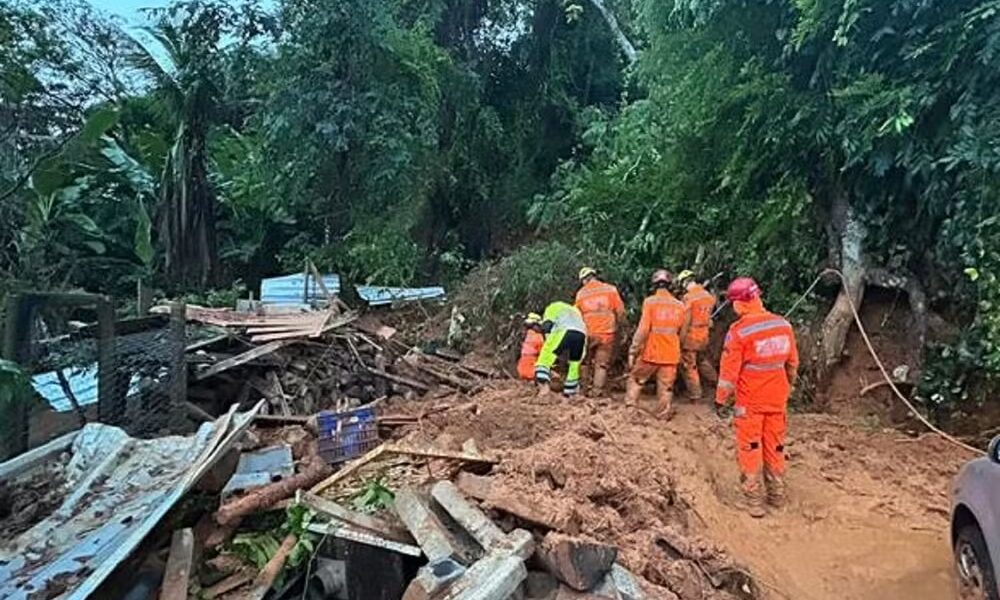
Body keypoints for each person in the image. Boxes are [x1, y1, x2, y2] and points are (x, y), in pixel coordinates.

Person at [715, 277, 799, 518]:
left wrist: (720, 399)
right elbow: (792, 364)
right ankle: (777, 496)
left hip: (750, 403)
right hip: (777, 400)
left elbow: (728, 373)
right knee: (775, 445)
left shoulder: (739, 332)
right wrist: (787, 387)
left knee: (750, 447)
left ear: (740, 303)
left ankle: (753, 501)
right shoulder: (784, 325)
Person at [625, 270, 690, 417]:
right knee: (666, 387)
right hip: (671, 354)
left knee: (636, 379)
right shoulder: (680, 306)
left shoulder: (650, 302)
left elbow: (643, 329)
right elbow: (683, 333)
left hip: (651, 352)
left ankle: (630, 409)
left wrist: (633, 349)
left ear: (654, 285)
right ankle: (662, 414)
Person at [575, 267, 626, 395]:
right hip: (607, 333)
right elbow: (620, 312)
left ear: (584, 280)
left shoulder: (581, 294)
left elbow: (576, 315)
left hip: (587, 334)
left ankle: (584, 390)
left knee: (584, 363)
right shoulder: (610, 289)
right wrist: (623, 328)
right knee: (601, 365)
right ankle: (597, 392)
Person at [676, 270, 718, 401]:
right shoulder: (708, 296)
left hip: (691, 336)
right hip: (704, 335)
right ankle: (717, 383)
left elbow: (686, 321)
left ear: (684, 282)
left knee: (689, 366)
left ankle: (696, 395)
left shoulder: (689, 298)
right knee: (703, 361)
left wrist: (680, 341)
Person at [534, 301, 588, 398]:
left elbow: (547, 326)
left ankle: (544, 390)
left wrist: (549, 345)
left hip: (564, 331)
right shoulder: (575, 311)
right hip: (581, 335)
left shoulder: (552, 307)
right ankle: (571, 392)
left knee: (544, 359)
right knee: (574, 364)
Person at [517, 313, 545, 381]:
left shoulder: (526, 335)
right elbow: (543, 352)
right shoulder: (538, 337)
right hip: (532, 364)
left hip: (522, 365)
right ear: (534, 326)